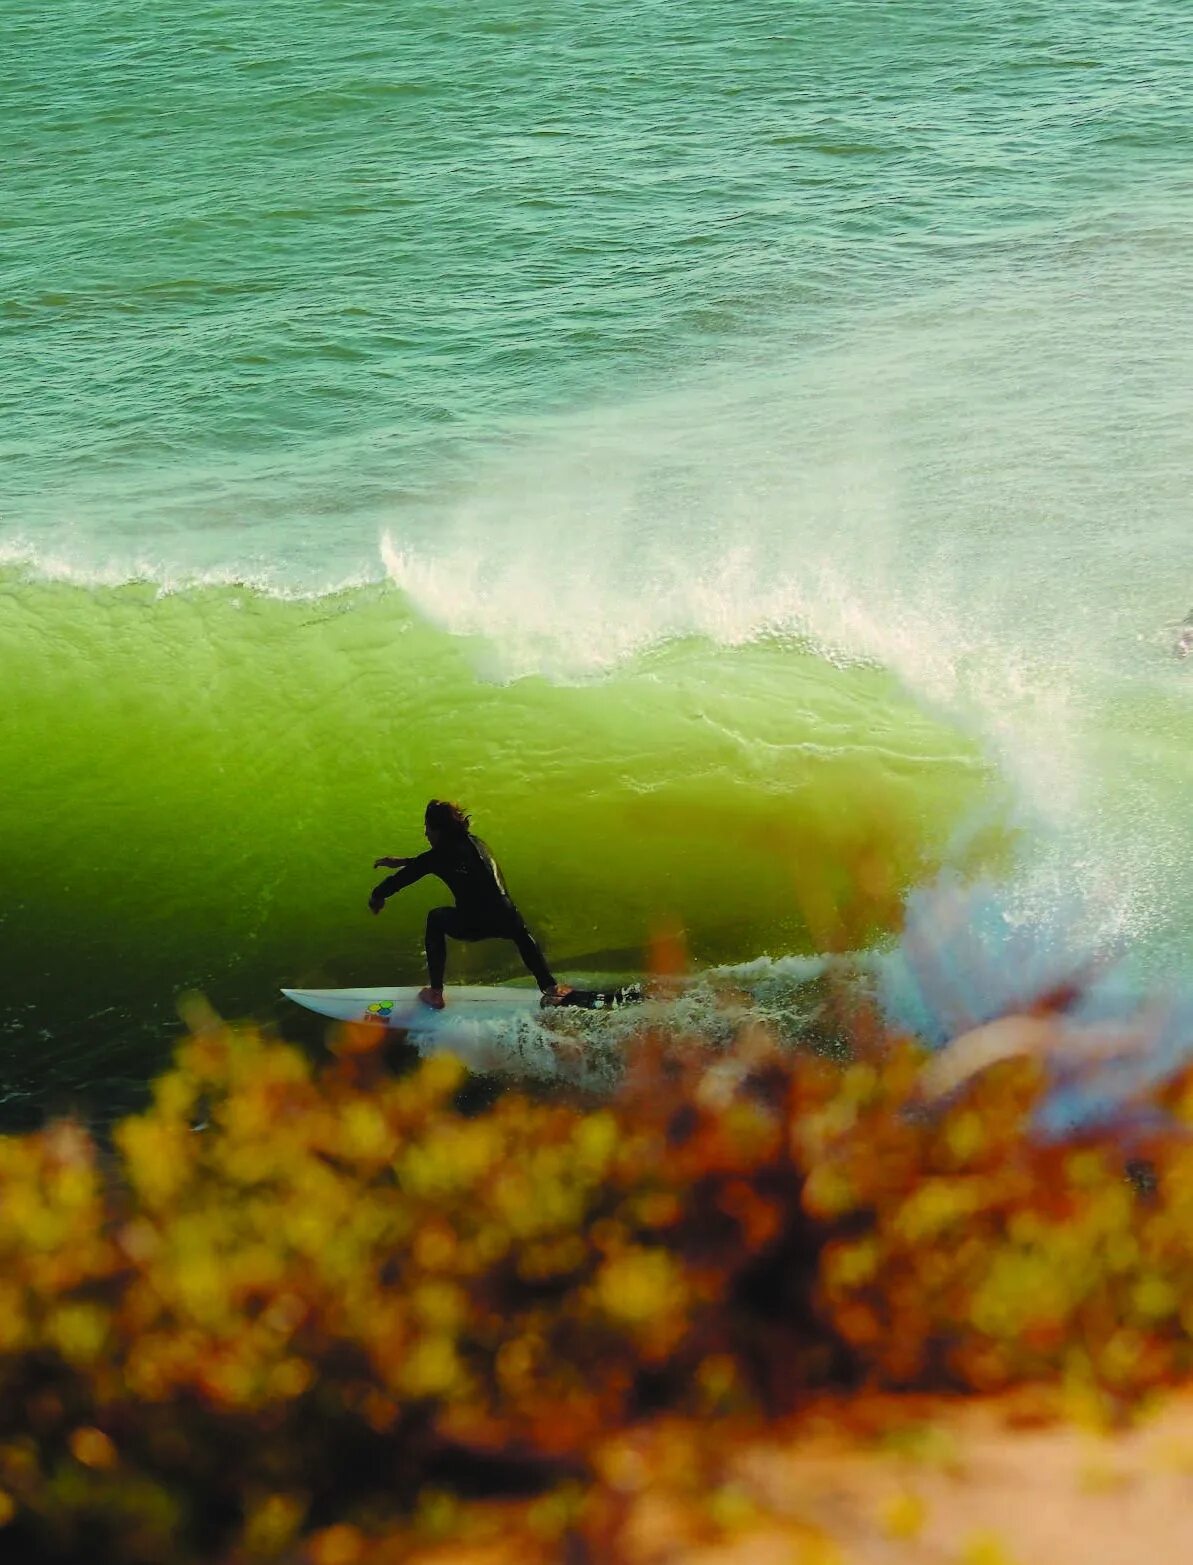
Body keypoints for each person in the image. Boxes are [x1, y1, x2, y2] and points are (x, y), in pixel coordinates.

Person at [369, 800, 572, 1010]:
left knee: (436, 918)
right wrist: (403, 861)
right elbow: (437, 862)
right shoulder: (476, 843)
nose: (426, 833)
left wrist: (377, 896)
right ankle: (550, 987)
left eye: (427, 828)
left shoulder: (439, 856)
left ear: (438, 830)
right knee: (520, 934)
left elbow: (406, 877)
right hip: (506, 916)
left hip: (474, 922)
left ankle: (435, 993)